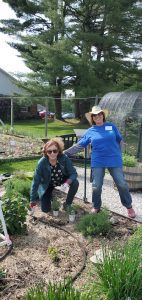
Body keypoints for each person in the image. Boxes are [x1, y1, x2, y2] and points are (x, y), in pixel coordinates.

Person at [64, 105, 136, 218]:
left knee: (121, 184)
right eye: (95, 115)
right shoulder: (90, 131)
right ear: (92, 118)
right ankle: (96, 206)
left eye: (99, 114)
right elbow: (80, 145)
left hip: (114, 159)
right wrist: (65, 153)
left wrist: (121, 149)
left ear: (103, 115)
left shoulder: (111, 126)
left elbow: (119, 139)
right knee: (96, 185)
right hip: (98, 161)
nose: (98, 116)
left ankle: (129, 206)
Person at [30, 137, 79, 213]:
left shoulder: (64, 158)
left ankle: (67, 204)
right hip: (48, 184)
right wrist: (32, 200)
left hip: (61, 179)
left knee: (75, 182)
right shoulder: (42, 163)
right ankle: (50, 197)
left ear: (58, 151)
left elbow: (73, 173)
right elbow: (35, 182)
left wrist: (67, 182)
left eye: (55, 151)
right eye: (49, 151)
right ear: (46, 152)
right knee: (45, 210)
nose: (52, 153)